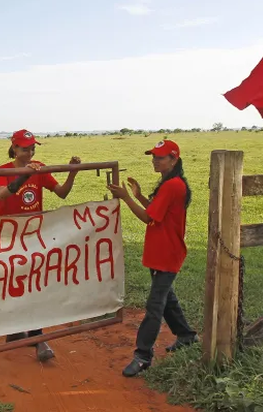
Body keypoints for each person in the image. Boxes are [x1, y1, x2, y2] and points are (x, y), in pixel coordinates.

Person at [107, 139, 198, 377]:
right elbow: (156, 212)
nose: (155, 161)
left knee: (155, 305)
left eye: (160, 157)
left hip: (167, 252)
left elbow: (148, 219)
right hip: (162, 250)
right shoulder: (171, 184)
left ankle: (143, 356)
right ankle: (186, 335)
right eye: (154, 156)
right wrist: (137, 196)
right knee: (167, 298)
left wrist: (126, 197)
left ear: (174, 159)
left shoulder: (172, 186)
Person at [0, 128, 81, 362]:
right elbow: (1, 194)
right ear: (14, 148)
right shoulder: (3, 171)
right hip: (11, 237)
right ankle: (20, 328)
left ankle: (37, 335)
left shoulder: (39, 169)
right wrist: (24, 176)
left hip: (35, 236)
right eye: (24, 148)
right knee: (15, 281)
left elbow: (61, 193)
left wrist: (72, 173)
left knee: (35, 283)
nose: (29, 152)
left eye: (32, 147)